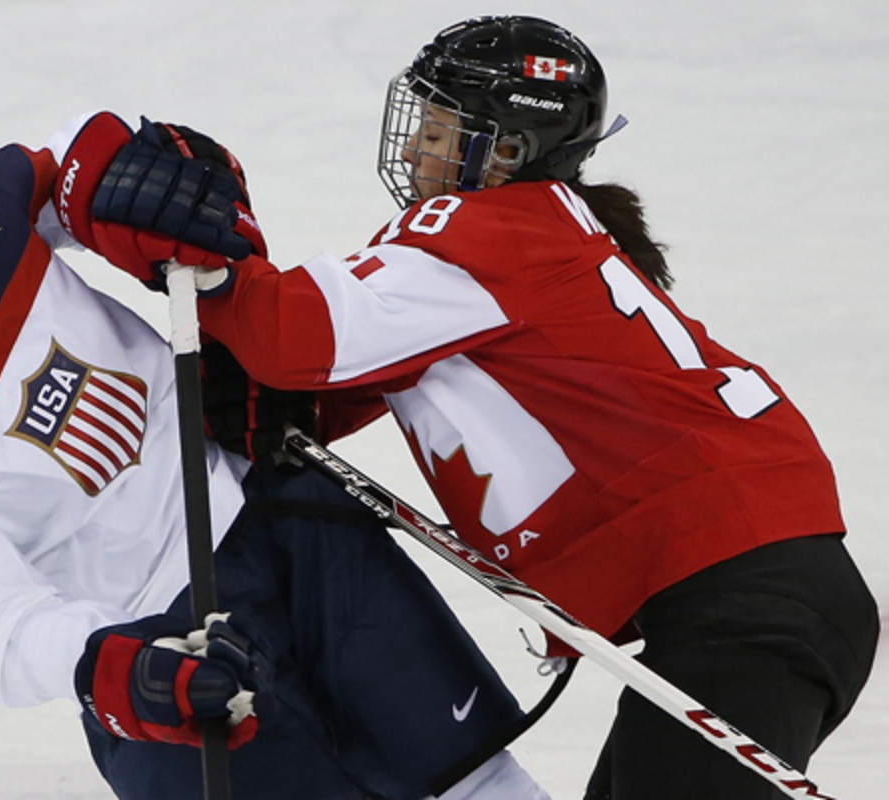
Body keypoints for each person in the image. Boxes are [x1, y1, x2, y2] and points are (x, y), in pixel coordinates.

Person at [0, 64, 554, 800]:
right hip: (160, 642)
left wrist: (130, 185)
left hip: (279, 517)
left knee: (468, 773)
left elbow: (75, 171)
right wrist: (110, 670)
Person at [77, 15, 880, 800]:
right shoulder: (525, 249)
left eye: (437, 130)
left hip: (743, 604)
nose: (415, 149)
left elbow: (299, 336)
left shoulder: (487, 231)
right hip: (759, 594)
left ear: (506, 150)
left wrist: (211, 251)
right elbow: (315, 386)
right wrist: (267, 399)